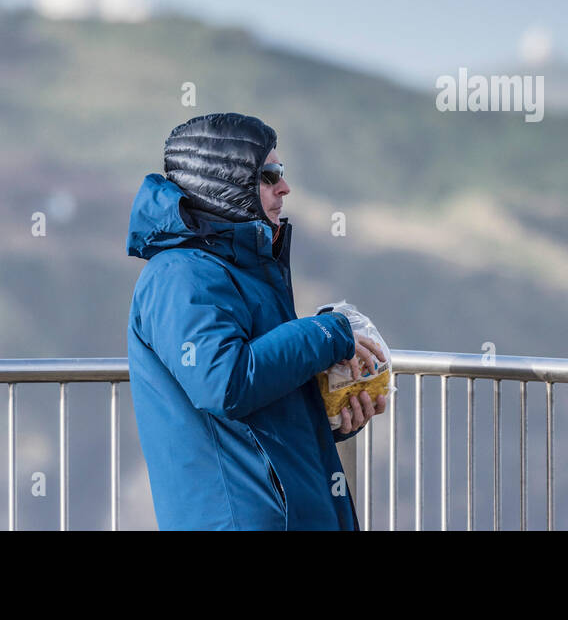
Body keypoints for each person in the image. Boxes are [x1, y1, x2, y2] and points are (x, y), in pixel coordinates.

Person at [126, 111, 386, 529]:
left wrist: (326, 413)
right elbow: (223, 383)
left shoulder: (241, 272)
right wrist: (326, 332)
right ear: (224, 182)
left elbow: (253, 402)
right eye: (269, 175)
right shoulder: (180, 275)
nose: (285, 187)